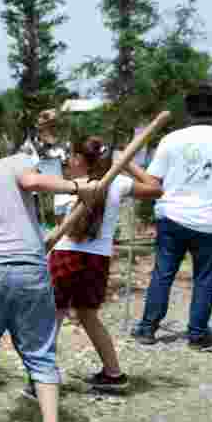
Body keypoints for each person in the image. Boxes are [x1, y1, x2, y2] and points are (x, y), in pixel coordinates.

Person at [0, 130, 102, 422]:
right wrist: (79, 187)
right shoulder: (14, 162)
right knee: (40, 351)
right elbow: (35, 183)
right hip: (30, 270)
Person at [41, 137, 165, 395]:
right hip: (98, 259)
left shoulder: (71, 185)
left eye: (71, 156)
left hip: (67, 255)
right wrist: (127, 164)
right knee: (87, 315)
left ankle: (42, 379)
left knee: (53, 316)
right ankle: (113, 373)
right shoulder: (117, 182)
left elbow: (57, 222)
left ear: (78, 159)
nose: (68, 161)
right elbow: (155, 187)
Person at [131, 84, 212, 350]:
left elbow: (153, 182)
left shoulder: (171, 140)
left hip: (171, 217)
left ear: (187, 109)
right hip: (210, 222)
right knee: (206, 278)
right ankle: (197, 335)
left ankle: (147, 329)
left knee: (163, 273)